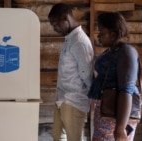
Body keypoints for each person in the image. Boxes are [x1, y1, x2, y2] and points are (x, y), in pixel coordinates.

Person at [88, 12, 142, 141]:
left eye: (102, 31)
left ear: (113, 34)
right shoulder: (113, 51)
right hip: (107, 113)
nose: (98, 35)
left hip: (115, 117)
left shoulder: (126, 52)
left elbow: (126, 91)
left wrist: (120, 128)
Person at [48, 3, 94, 141]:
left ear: (65, 18)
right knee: (57, 136)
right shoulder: (70, 39)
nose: (54, 29)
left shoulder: (80, 42)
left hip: (74, 101)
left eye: (56, 25)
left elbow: (87, 76)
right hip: (62, 99)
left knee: (73, 138)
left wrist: (92, 100)